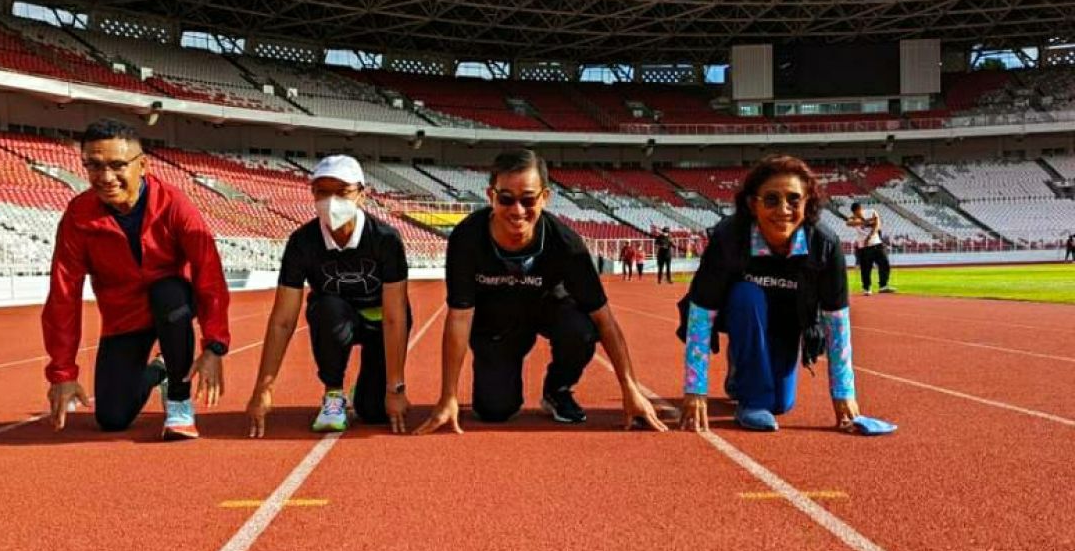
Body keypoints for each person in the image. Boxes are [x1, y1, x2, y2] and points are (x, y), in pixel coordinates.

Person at [416, 149, 666, 434]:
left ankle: (557, 389)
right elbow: (460, 317)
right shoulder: (467, 239)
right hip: (496, 322)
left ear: (544, 197)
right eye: (506, 199)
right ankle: (498, 374)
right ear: (491, 196)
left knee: (581, 330)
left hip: (548, 308)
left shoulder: (566, 244)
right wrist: (448, 395)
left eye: (528, 199)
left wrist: (630, 388)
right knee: (494, 411)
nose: (517, 210)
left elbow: (604, 319)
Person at [42, 118, 230, 440]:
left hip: (174, 305)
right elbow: (63, 294)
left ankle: (179, 401)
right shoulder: (78, 216)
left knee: (167, 292)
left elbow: (209, 272)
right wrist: (62, 372)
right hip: (124, 318)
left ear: (142, 165)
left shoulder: (174, 205)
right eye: (94, 166)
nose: (105, 177)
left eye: (117, 165)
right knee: (112, 418)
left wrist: (214, 345)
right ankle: (160, 370)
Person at [676, 154, 868, 434]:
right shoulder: (729, 239)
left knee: (780, 403)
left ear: (808, 203)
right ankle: (751, 396)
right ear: (753, 204)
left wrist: (844, 394)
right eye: (771, 199)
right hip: (742, 314)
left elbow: (836, 322)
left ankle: (739, 374)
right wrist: (696, 389)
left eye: (794, 199)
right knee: (747, 296)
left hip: (790, 320)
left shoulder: (825, 246)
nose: (784, 209)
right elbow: (702, 313)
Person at [245, 155, 412, 436]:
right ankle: (333, 394)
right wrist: (263, 388)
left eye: (342, 191)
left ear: (362, 195)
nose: (331, 200)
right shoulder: (302, 242)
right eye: (322, 191)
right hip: (334, 319)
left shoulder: (385, 239)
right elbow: (283, 320)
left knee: (374, 413)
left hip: (380, 321)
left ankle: (370, 385)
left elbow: (396, 316)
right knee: (327, 307)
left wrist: (396, 387)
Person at [846, 201, 896, 296]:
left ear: (860, 209)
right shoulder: (853, 218)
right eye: (854, 213)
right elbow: (848, 223)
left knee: (885, 263)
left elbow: (877, 224)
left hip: (876, 243)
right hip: (863, 247)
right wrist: (866, 222)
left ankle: (883, 286)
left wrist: (870, 235)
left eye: (857, 212)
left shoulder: (871, 212)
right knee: (865, 268)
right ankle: (866, 288)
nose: (856, 214)